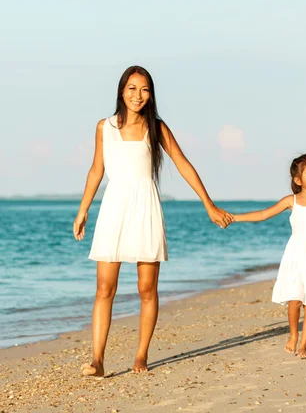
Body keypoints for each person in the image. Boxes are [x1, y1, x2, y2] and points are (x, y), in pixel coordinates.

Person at [72, 65, 233, 377]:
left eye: (144, 90)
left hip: (145, 207)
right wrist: (83, 210)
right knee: (105, 287)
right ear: (121, 91)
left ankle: (141, 355)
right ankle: (97, 360)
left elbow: (183, 164)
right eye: (132, 88)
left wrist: (208, 204)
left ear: (151, 94)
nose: (138, 95)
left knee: (147, 288)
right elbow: (96, 170)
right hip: (114, 208)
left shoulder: (156, 127)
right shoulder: (104, 127)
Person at [231, 153, 306, 358]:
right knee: (294, 300)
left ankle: (304, 344)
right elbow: (262, 215)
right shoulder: (291, 201)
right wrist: (234, 218)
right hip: (296, 255)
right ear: (298, 180)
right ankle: (293, 334)